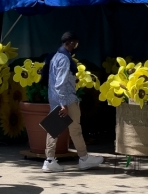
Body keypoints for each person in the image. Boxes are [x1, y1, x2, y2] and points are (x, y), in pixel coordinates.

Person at [43, 32, 105, 173]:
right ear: (70, 43)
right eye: (75, 44)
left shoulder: (55, 57)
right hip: (67, 99)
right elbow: (60, 83)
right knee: (75, 130)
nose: (76, 46)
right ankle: (83, 158)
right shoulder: (65, 59)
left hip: (55, 98)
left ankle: (49, 160)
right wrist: (63, 104)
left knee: (53, 130)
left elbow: (56, 80)